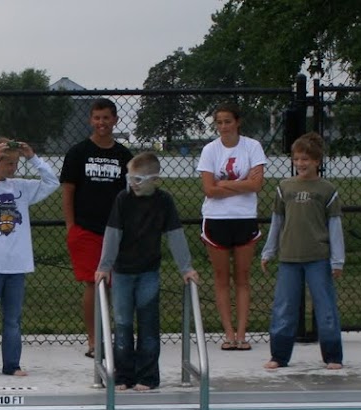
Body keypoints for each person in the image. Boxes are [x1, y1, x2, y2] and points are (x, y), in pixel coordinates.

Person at [94, 152, 200, 391]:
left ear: (155, 180)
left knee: (149, 324)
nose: (133, 184)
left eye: (138, 179)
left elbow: (175, 234)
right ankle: (122, 376)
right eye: (130, 178)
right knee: (122, 325)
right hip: (122, 272)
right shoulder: (123, 199)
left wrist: (186, 268)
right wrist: (105, 266)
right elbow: (113, 234)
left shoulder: (164, 201)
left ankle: (148, 377)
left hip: (148, 271)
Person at [0, 138, 60, 378]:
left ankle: (12, 364)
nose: (12, 167)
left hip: (17, 264)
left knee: (13, 319)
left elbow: (52, 182)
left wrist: (33, 158)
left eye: (15, 162)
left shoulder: (22, 188)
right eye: (7, 162)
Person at [260, 132, 345, 370]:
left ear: (317, 161)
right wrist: (269, 252)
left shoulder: (327, 190)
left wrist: (337, 261)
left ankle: (333, 355)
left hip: (318, 257)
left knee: (325, 307)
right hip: (289, 257)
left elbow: (335, 226)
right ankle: (279, 355)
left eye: (305, 159)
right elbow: (277, 222)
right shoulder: (284, 188)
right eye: (297, 159)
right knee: (284, 307)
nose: (300, 164)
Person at [61, 98, 134, 358]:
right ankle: (94, 340)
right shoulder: (78, 152)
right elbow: (68, 191)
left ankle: (116, 336)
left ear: (115, 120)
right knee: (95, 284)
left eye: (106, 118)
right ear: (90, 120)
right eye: (96, 118)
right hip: (86, 229)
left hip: (116, 230)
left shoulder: (124, 155)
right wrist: (71, 226)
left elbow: (131, 193)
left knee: (117, 285)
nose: (101, 123)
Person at [197, 102, 267, 351]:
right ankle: (228, 333)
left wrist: (224, 185)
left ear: (237, 122)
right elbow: (208, 190)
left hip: (244, 217)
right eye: (219, 122)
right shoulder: (210, 150)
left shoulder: (252, 147)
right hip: (217, 220)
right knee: (221, 278)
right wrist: (241, 183)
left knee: (243, 277)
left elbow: (257, 185)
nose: (224, 127)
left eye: (228, 121)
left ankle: (241, 333)